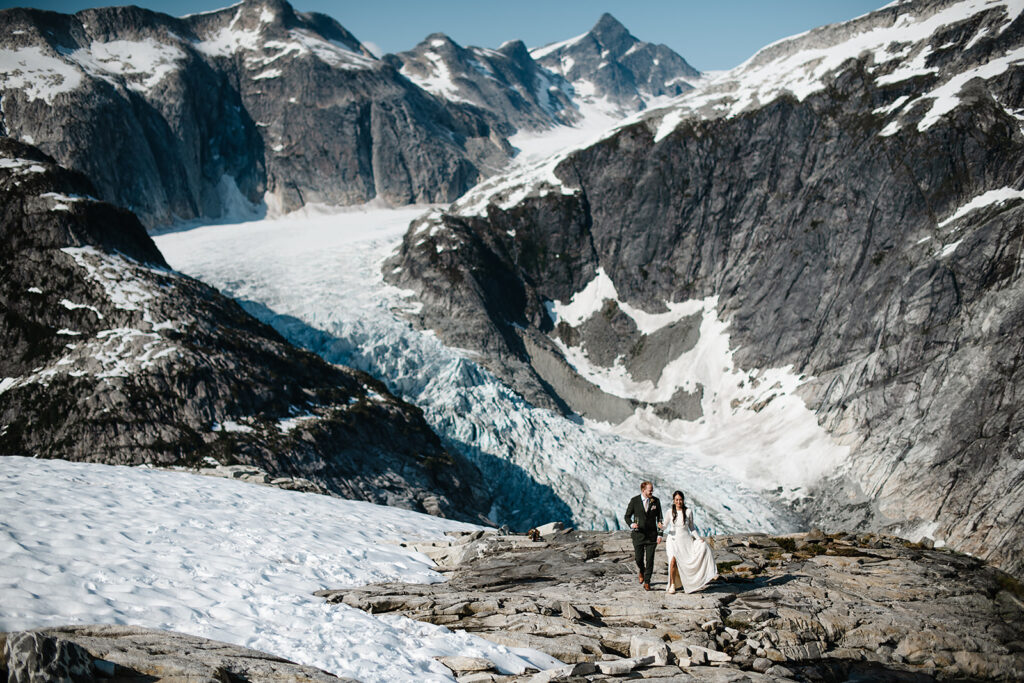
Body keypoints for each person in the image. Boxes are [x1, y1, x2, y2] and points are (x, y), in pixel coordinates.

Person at [663, 490, 717, 594]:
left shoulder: (688, 512)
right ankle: (672, 584)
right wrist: (661, 526)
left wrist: (698, 538)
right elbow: (665, 525)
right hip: (673, 540)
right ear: (674, 501)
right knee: (672, 560)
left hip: (685, 541)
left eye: (680, 500)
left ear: (683, 500)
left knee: (694, 554)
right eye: (676, 500)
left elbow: (692, 528)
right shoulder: (669, 512)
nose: (678, 502)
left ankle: (690, 582)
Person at [623, 481, 663, 591]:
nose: (652, 492)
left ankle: (647, 581)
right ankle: (641, 569)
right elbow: (627, 516)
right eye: (650, 490)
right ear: (643, 490)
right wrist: (631, 524)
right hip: (638, 535)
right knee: (638, 559)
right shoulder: (634, 501)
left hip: (651, 536)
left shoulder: (656, 501)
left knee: (650, 559)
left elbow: (660, 518)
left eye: (652, 490)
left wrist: (660, 534)